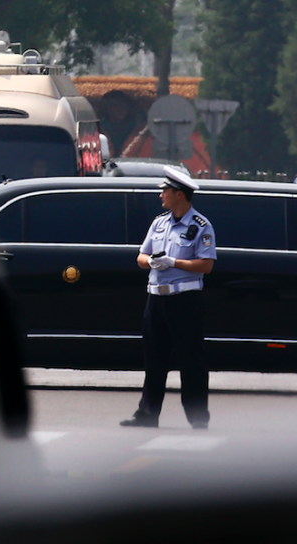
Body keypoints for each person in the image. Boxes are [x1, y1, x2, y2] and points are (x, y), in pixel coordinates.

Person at [121, 166, 217, 429]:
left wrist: (174, 262)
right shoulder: (159, 222)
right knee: (154, 360)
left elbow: (206, 265)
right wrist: (153, 261)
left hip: (185, 301)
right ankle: (147, 415)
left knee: (191, 361)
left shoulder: (201, 226)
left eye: (165, 191)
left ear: (179, 194)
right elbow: (140, 258)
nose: (160, 195)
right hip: (156, 300)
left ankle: (198, 419)